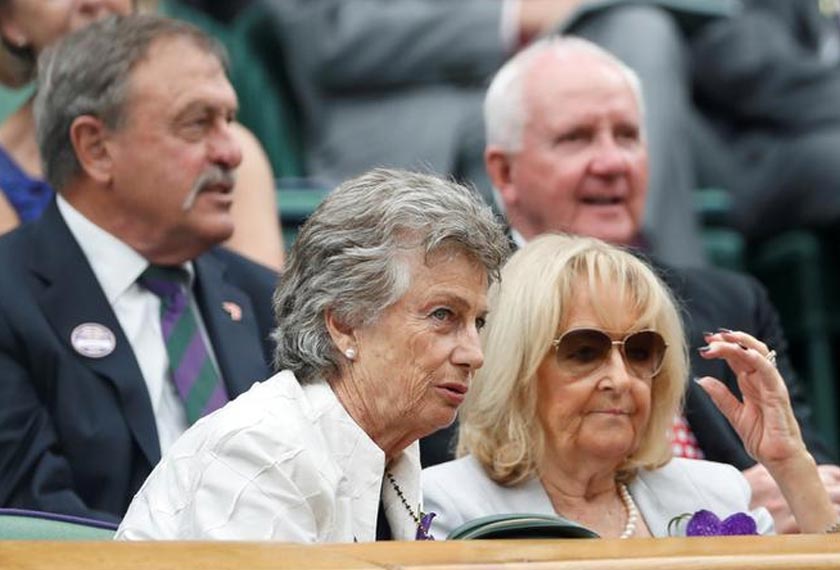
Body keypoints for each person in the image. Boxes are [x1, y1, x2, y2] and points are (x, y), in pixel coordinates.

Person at [465, 35, 840, 533]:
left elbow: (817, 475)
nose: (612, 162)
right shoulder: (469, 308)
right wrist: (725, 509)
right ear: (504, 172)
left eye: (626, 136)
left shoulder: (731, 301)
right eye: (576, 138)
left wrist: (799, 487)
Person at [115, 168, 509, 541]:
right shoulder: (260, 454)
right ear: (344, 324)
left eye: (478, 323)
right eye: (443, 315)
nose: (474, 355)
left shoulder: (393, 447)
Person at [0, 14, 277, 522]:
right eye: (197, 123)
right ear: (96, 148)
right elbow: (37, 524)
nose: (231, 151)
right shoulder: (9, 300)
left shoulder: (268, 301)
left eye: (229, 120)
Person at [424, 234, 839, 538]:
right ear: (515, 366)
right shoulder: (447, 506)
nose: (621, 379)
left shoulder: (714, 494)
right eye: (584, 352)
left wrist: (790, 466)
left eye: (640, 352)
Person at [261, 0, 706, 266]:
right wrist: (512, 16)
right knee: (535, 119)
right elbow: (327, 37)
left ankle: (660, 276)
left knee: (644, 29)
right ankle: (583, 293)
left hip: (543, 66)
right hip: (400, 104)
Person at [0, 0, 285, 269]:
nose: (90, 2)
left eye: (194, 125)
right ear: (9, 20)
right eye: (196, 124)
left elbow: (264, 307)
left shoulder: (231, 152)